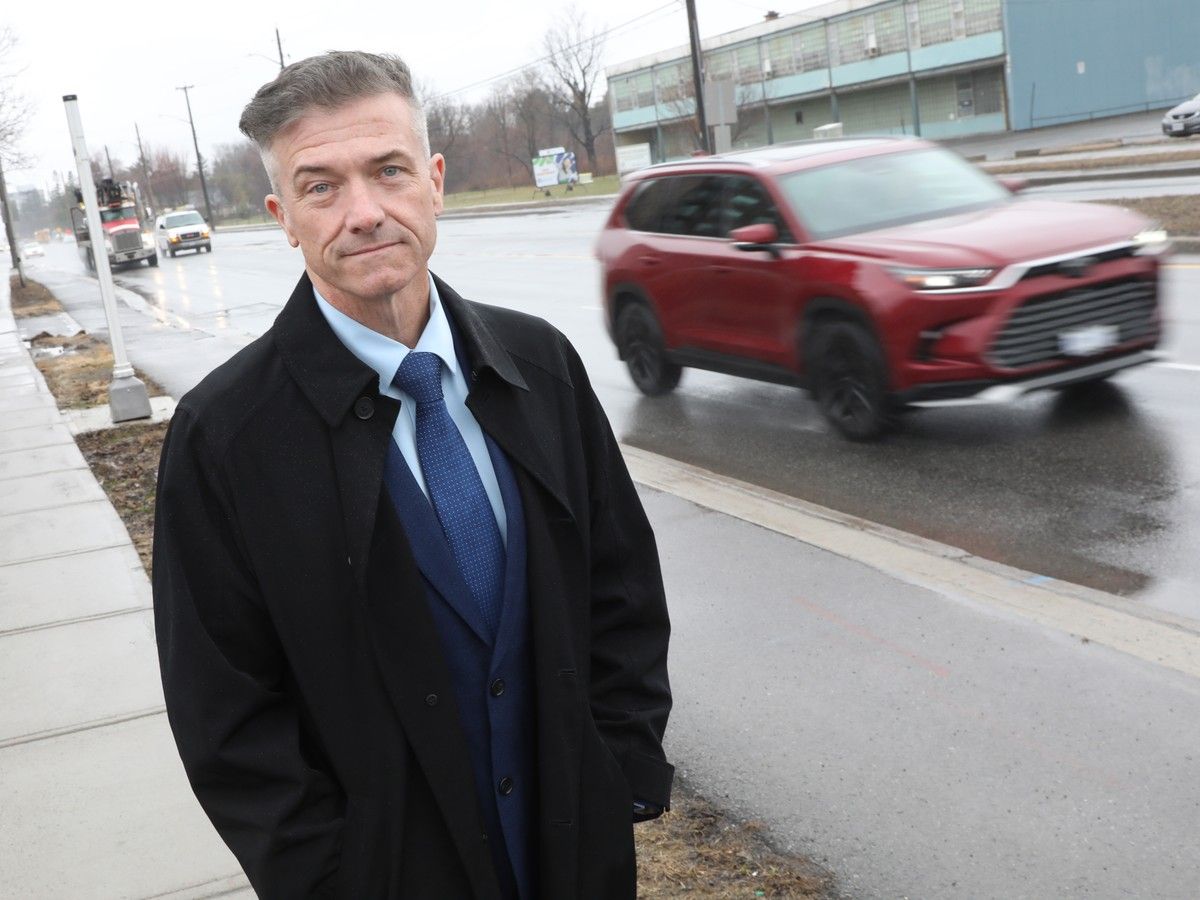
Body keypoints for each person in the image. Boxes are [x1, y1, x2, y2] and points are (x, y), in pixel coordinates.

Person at [152, 51, 673, 899]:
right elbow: (225, 714)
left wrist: (621, 768)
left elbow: (623, 588)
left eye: (388, 171)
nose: (364, 213)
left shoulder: (540, 363)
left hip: (575, 857)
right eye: (321, 187)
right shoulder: (224, 440)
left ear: (433, 182)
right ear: (284, 216)